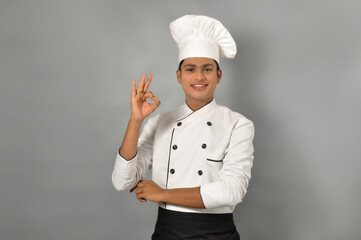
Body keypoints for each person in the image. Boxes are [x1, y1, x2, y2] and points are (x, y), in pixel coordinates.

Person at [112, 15, 255, 239]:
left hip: (217, 234)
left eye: (207, 69)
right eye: (190, 69)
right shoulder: (159, 123)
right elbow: (122, 181)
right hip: (166, 233)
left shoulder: (238, 124)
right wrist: (135, 122)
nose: (199, 76)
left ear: (219, 75)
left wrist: (162, 194)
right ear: (179, 76)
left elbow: (231, 191)